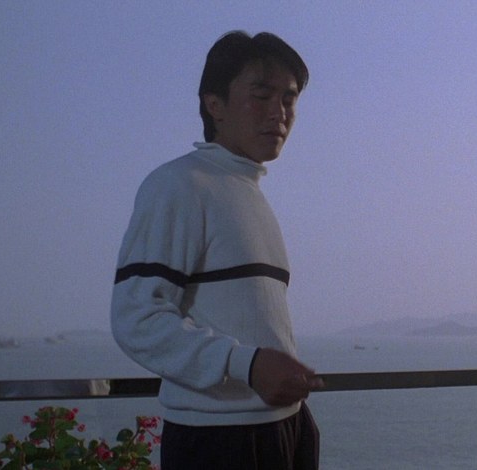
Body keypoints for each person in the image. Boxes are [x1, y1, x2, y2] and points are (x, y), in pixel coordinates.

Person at [110, 31, 323, 470]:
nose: (279, 112)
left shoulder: (247, 191)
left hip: (284, 426)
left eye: (289, 98)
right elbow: (137, 317)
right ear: (215, 104)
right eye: (261, 96)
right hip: (220, 439)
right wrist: (247, 364)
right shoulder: (180, 184)